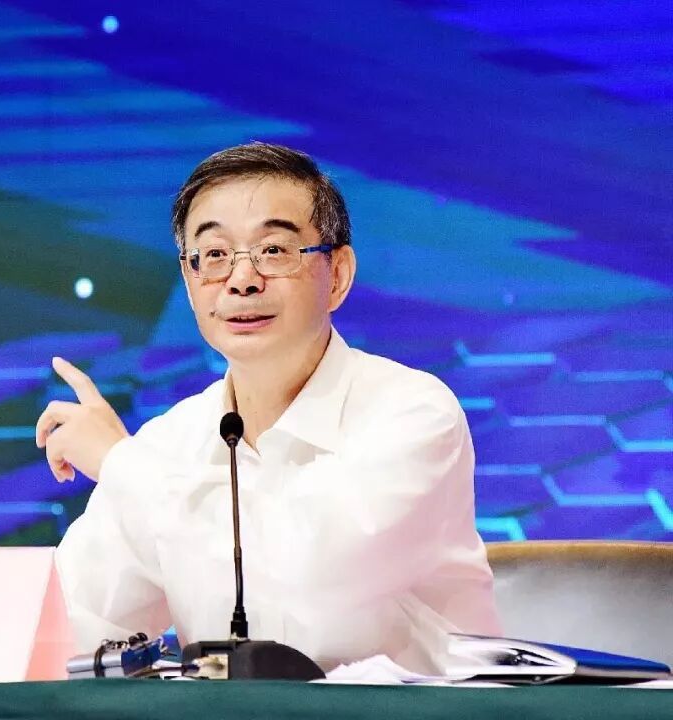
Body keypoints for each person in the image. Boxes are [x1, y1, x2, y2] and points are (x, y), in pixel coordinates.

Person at [34, 142, 500, 673]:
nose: (242, 279)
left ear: (338, 275)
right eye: (214, 255)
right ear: (189, 281)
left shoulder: (413, 414)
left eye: (274, 250)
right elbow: (71, 622)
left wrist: (119, 464)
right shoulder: (170, 444)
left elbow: (310, 579)